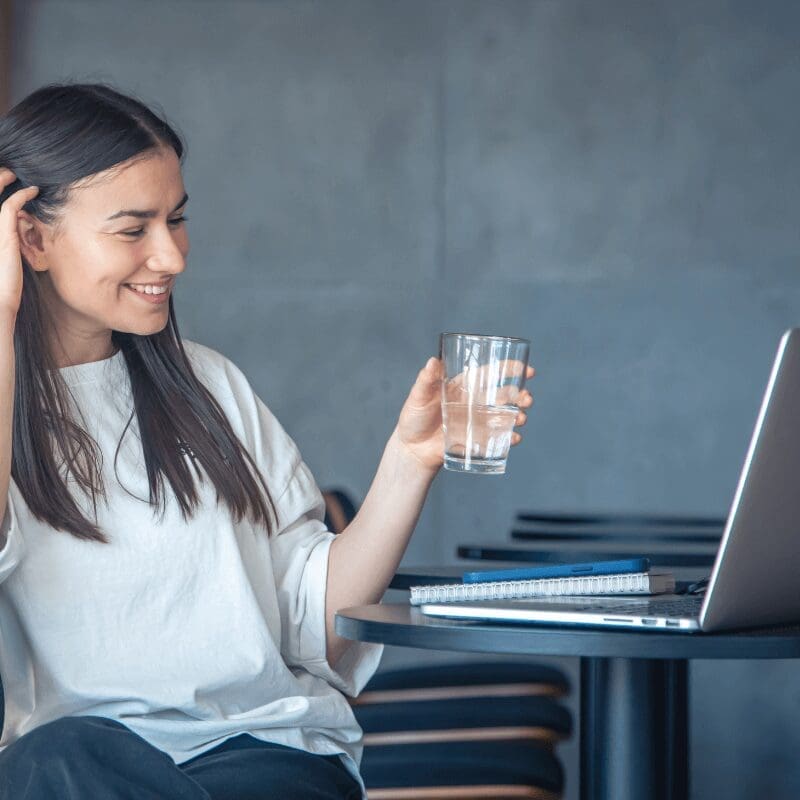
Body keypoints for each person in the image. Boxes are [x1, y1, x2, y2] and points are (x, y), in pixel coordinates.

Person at [0, 82, 535, 800]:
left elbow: (319, 634)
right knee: (55, 756)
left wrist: (407, 466)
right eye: (134, 230)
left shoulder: (209, 386)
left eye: (177, 220)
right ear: (31, 239)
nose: (172, 257)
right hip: (79, 776)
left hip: (259, 758)